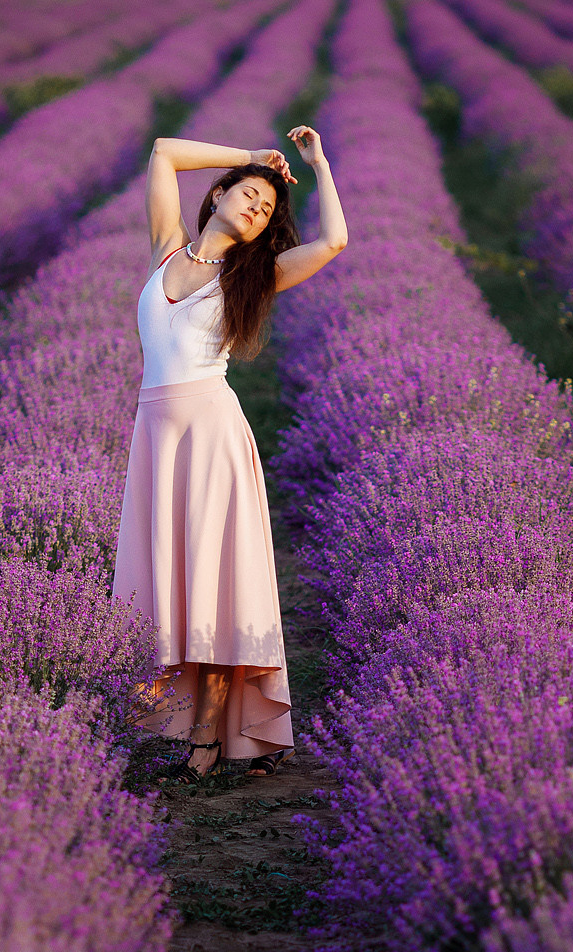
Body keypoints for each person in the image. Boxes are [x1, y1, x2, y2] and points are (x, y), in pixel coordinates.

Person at [114, 123, 349, 778]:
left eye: (267, 209)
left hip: (212, 436)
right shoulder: (166, 250)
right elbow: (162, 150)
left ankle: (208, 738)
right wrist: (254, 156)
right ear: (218, 194)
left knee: (212, 587)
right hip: (155, 437)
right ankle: (186, 722)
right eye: (248, 195)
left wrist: (318, 164)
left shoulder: (257, 275)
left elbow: (334, 241)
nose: (255, 207)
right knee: (172, 584)